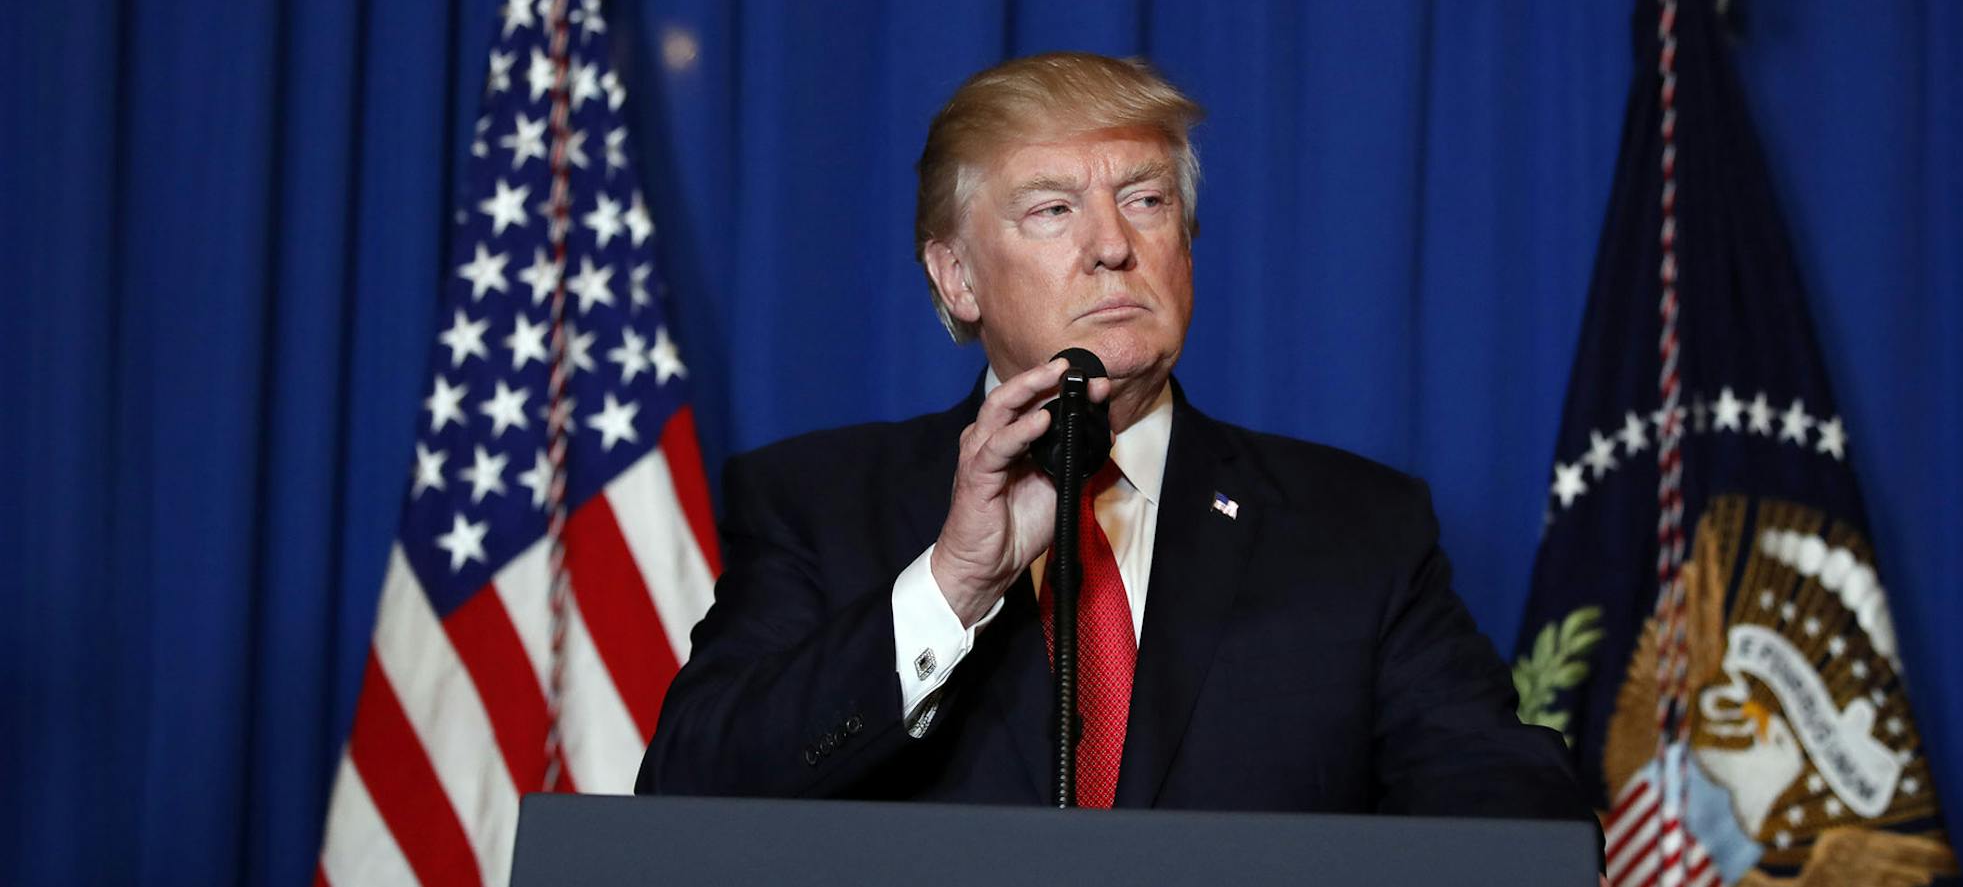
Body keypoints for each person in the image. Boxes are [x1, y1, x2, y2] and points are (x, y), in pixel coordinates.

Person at [638, 52, 1591, 819]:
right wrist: (952, 584)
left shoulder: (1360, 527)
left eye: (1146, 198)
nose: (1112, 244)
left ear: (1187, 240)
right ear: (957, 278)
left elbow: (1512, 816)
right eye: (1054, 209)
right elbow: (686, 799)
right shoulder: (818, 501)